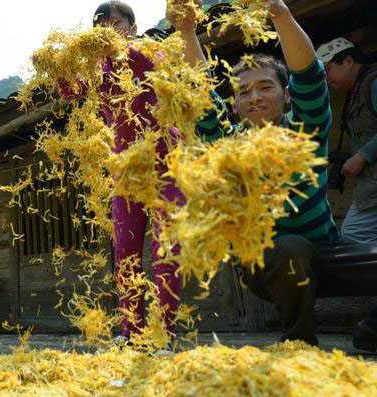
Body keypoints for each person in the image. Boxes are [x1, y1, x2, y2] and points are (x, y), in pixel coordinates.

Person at [172, 0, 338, 345]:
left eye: (266, 87)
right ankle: (299, 345)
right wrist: (187, 30)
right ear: (234, 105)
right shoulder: (229, 144)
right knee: (288, 248)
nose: (254, 97)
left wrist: (280, 14)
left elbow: (310, 78)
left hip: (327, 254)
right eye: (243, 92)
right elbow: (203, 98)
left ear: (286, 95)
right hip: (266, 263)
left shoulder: (301, 131)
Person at [63, 1, 184, 342]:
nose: (107, 29)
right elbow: (70, 90)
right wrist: (60, 65)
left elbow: (156, 71)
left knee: (166, 248)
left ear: (131, 26)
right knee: (125, 253)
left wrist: (120, 49)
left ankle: (165, 331)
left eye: (114, 23)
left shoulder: (150, 48)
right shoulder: (96, 66)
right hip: (125, 170)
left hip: (165, 161)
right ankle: (132, 331)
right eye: (99, 24)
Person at [316, 38, 377, 244]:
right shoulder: (357, 91)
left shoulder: (373, 83)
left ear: (348, 61)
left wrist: (361, 156)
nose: (326, 79)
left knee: (353, 236)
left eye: (329, 69)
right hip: (370, 189)